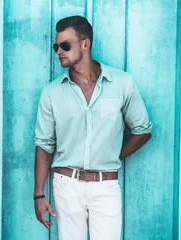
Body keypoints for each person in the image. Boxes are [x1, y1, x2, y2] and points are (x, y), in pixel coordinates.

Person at [33, 15, 152, 240]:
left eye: (65, 45)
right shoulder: (51, 93)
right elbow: (44, 144)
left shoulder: (122, 83)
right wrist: (38, 194)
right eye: (56, 46)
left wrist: (113, 154)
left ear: (85, 44)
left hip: (105, 186)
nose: (59, 51)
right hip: (66, 185)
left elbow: (142, 130)